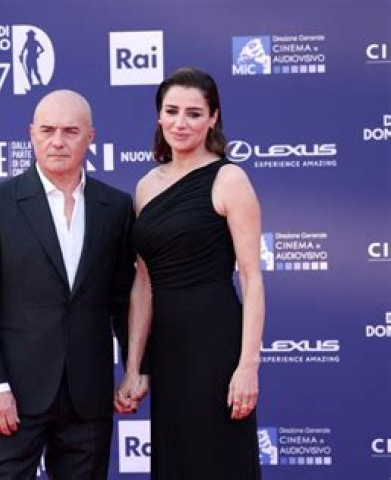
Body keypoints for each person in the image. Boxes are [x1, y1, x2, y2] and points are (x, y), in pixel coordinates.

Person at [0, 89, 136, 479]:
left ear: (90, 137)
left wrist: (135, 368)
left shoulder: (116, 207)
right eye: (47, 130)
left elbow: (123, 301)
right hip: (14, 393)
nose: (58, 141)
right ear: (31, 134)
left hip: (88, 396)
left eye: (70, 131)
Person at [115, 67, 264, 479]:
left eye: (194, 113)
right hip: (168, 349)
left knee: (217, 459)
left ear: (213, 118)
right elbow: (142, 283)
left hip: (216, 345)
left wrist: (247, 366)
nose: (180, 123)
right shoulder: (146, 185)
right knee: (176, 460)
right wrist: (134, 367)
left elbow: (252, 279)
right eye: (172, 111)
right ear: (159, 116)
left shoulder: (229, 179)